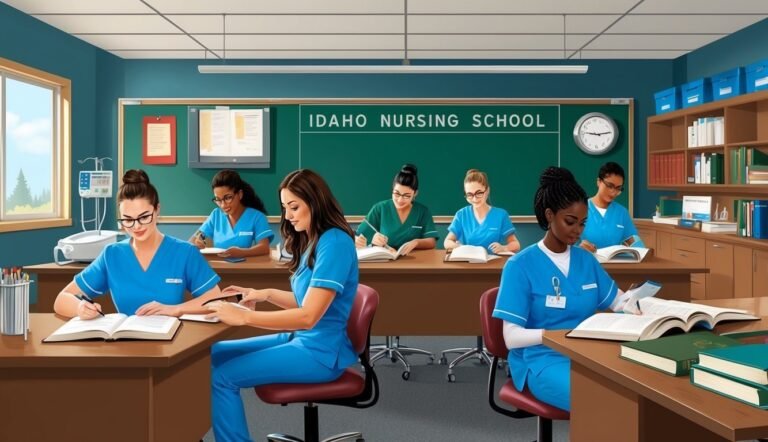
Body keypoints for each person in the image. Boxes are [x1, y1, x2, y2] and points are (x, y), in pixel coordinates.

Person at [206, 169, 359, 442]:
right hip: (302, 339)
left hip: (320, 352)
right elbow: (305, 300)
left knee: (223, 377)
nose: (287, 215)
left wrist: (243, 319)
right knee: (213, 353)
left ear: (315, 202)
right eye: (284, 207)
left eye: (294, 207)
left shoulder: (334, 243)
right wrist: (261, 293)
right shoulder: (314, 239)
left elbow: (309, 316)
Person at [491, 167, 634, 411]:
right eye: (570, 221)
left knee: (635, 393)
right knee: (603, 402)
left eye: (583, 223)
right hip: (542, 359)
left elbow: (620, 302)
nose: (578, 231)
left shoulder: (586, 260)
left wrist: (636, 302)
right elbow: (511, 337)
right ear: (549, 215)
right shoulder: (519, 266)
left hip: (588, 353)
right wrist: (554, 336)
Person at [53, 169, 223, 318]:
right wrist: (79, 307)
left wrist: (176, 309)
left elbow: (215, 298)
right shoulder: (112, 255)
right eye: (128, 220)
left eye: (143, 217)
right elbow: (61, 299)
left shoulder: (184, 252)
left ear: (157, 210)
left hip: (171, 344)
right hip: (124, 346)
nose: (136, 226)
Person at [355, 164, 438, 255]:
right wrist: (372, 240)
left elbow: (431, 241)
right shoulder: (380, 208)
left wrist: (416, 242)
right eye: (396, 194)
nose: (400, 200)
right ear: (392, 190)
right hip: (384, 261)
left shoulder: (423, 212)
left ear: (415, 193)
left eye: (406, 196)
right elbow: (358, 236)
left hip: (414, 262)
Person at [191, 169, 273, 257]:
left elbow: (264, 248)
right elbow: (192, 241)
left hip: (245, 267)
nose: (223, 205)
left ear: (240, 194)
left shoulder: (257, 217)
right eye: (218, 199)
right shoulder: (216, 215)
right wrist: (196, 243)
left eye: (228, 198)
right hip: (219, 267)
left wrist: (242, 252)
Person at [444, 169, 521, 254]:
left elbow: (516, 244)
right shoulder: (461, 215)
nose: (474, 199)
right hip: (468, 263)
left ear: (487, 191)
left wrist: (504, 248)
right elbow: (447, 242)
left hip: (493, 264)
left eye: (479, 193)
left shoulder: (501, 215)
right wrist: (461, 248)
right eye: (470, 194)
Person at [579, 162, 644, 252]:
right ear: (599, 182)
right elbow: (566, 243)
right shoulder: (580, 209)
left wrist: (641, 252)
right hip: (586, 262)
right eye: (610, 186)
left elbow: (634, 241)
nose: (613, 192)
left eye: (618, 188)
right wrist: (579, 247)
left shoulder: (622, 212)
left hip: (615, 265)